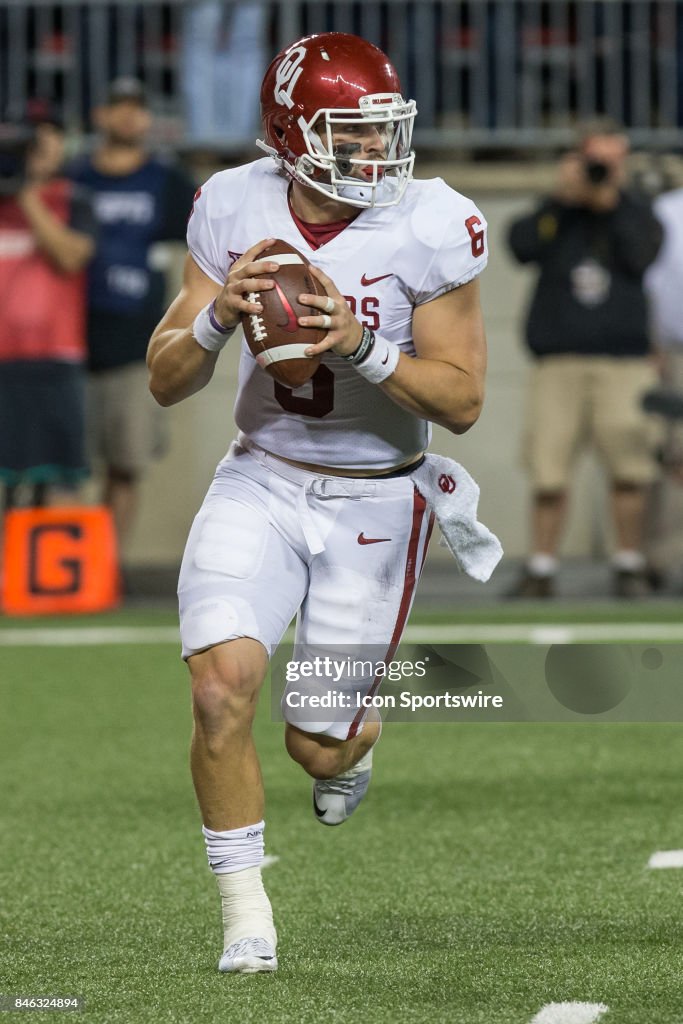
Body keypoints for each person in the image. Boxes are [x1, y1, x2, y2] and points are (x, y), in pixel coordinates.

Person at [147, 32, 496, 975]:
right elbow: (166, 378)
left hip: (375, 499)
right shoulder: (231, 202)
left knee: (317, 748)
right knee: (219, 688)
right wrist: (219, 315)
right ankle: (245, 916)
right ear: (290, 134)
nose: (376, 156)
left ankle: (354, 738)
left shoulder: (434, 221)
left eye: (384, 132)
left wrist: (359, 347)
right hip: (258, 473)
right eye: (352, 136)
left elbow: (462, 401)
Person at [507, 120, 663, 599]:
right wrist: (563, 196)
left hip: (624, 363)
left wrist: (609, 202)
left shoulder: (637, 214)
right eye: (596, 160)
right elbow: (521, 245)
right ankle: (542, 567)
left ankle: (628, 564)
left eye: (612, 161)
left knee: (629, 469)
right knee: (549, 471)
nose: (602, 170)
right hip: (559, 363)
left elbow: (643, 254)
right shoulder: (558, 212)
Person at [67, 78, 196, 552]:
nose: (128, 117)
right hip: (70, 339)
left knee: (126, 462)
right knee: (65, 468)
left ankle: (105, 566)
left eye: (137, 108)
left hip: (137, 338)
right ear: (99, 116)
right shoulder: (74, 176)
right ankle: (62, 566)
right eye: (118, 107)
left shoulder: (168, 181)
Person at [0, 104, 96, 512]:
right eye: (29, 138)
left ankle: (47, 575)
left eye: (48, 136)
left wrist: (24, 193)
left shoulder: (74, 200)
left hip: (56, 362)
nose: (37, 146)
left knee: (61, 481)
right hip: (3, 362)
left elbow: (71, 256)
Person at [643, 184, 683, 585]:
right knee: (673, 457)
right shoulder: (668, 210)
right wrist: (652, 343)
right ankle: (665, 558)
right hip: (676, 352)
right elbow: (652, 282)